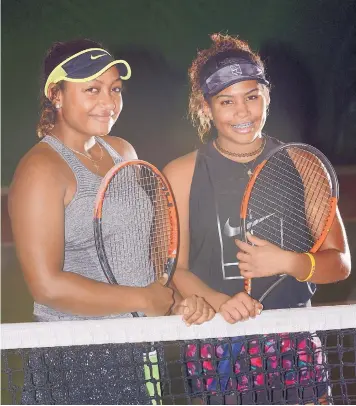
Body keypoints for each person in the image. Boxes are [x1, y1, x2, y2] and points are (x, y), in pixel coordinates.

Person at [8, 38, 215, 405]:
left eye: (115, 89)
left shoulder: (122, 151)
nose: (108, 102)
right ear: (56, 95)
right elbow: (46, 286)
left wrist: (174, 300)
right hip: (75, 359)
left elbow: (137, 249)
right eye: (92, 90)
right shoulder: (40, 170)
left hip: (138, 349)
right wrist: (142, 299)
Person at [163, 33, 351, 404]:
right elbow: (173, 270)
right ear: (205, 107)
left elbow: (340, 264)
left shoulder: (303, 164)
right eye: (226, 101)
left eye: (251, 96)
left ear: (266, 95)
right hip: (215, 344)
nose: (243, 112)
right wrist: (219, 301)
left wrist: (290, 262)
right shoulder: (180, 174)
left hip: (295, 341)